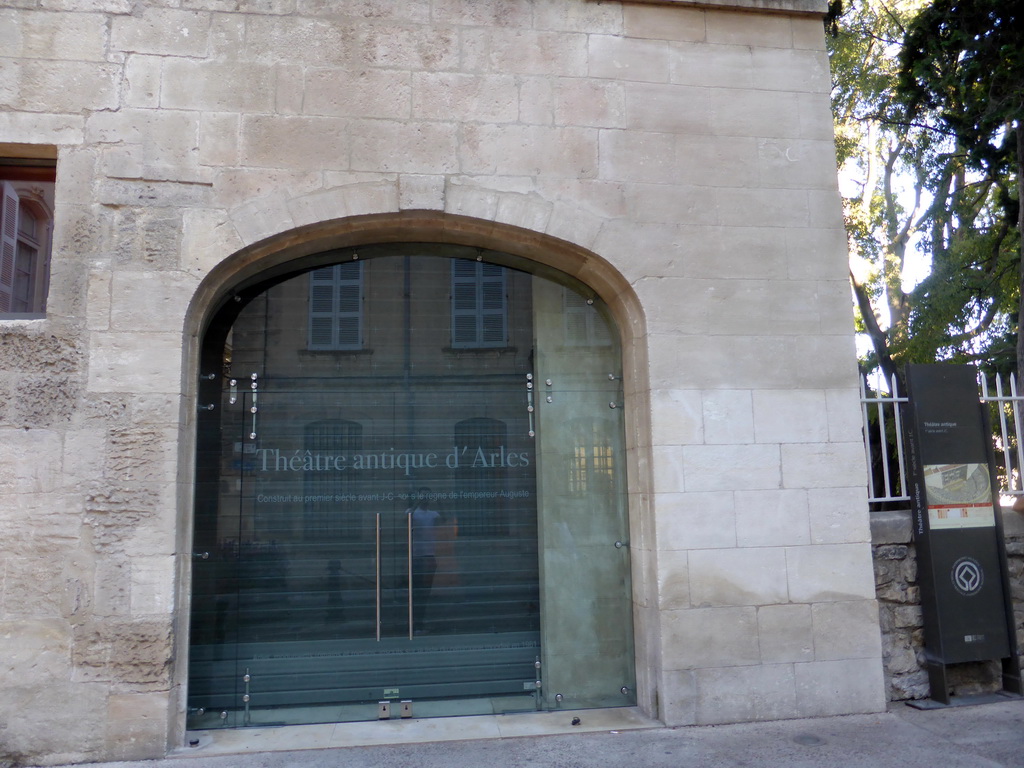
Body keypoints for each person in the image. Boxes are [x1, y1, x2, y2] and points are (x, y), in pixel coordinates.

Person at [407, 488, 441, 633]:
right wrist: (416, 504)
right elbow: (405, 521)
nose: (425, 498)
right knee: (417, 591)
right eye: (423, 495)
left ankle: (419, 622)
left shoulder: (434, 514)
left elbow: (445, 521)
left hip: (429, 556)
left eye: (428, 496)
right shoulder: (412, 512)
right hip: (416, 556)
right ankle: (415, 623)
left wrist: (439, 502)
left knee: (425, 592)